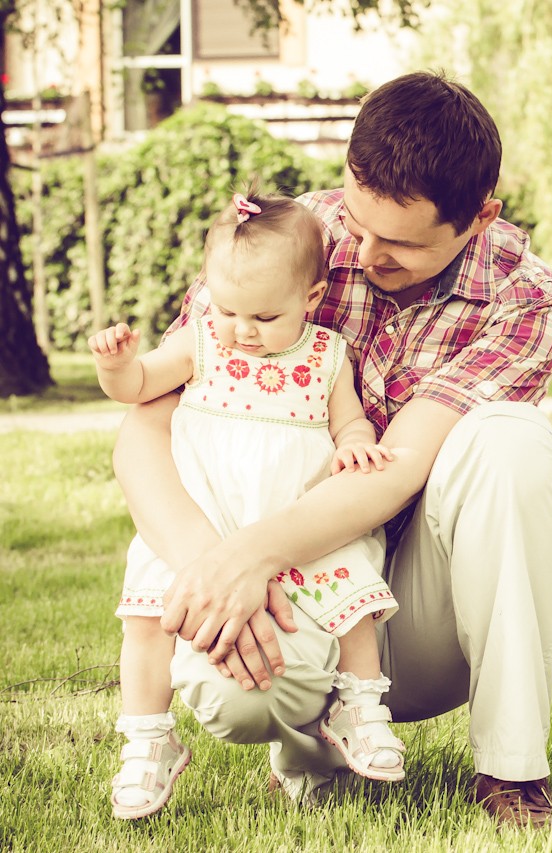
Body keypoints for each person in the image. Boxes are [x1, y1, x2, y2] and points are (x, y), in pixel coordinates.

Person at [110, 72, 552, 828]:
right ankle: (310, 739)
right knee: (240, 698)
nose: (363, 253)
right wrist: (216, 565)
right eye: (359, 224)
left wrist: (253, 554)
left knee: (513, 443)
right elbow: (143, 429)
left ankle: (510, 769)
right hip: (290, 592)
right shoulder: (283, 242)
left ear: (481, 217)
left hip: (421, 614)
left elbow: (393, 469)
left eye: (399, 243)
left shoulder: (529, 302)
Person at [91, 188, 405, 819]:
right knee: (147, 617)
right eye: (229, 309)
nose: (243, 330)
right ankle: (148, 738)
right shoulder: (202, 343)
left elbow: (349, 424)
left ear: (311, 298)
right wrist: (118, 364)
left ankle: (360, 706)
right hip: (205, 522)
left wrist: (355, 448)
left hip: (289, 523)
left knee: (352, 602)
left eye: (263, 317)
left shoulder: (326, 355)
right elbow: (138, 388)